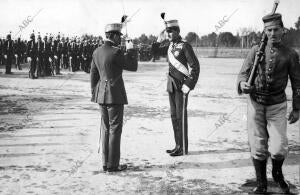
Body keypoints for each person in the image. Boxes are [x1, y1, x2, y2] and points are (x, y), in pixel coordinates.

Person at [237, 13, 300, 194]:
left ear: (283, 30)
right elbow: (243, 74)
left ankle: (277, 173)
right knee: (258, 145)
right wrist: (243, 84)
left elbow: (297, 83)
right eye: (269, 30)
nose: (273, 33)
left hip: (277, 105)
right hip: (255, 103)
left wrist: (297, 108)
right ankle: (262, 183)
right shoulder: (255, 51)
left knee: (279, 147)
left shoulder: (290, 54)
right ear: (265, 31)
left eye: (276, 30)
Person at [90, 23, 138, 172]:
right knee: (115, 130)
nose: (120, 39)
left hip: (101, 95)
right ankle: (113, 165)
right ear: (114, 35)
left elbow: (93, 75)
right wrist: (131, 50)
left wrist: (95, 93)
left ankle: (105, 163)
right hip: (114, 95)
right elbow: (133, 67)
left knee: (105, 129)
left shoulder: (96, 51)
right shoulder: (116, 52)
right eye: (119, 36)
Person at [152, 20, 200, 156]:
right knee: (174, 116)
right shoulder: (169, 46)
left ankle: (183, 148)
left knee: (181, 117)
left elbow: (195, 67)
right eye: (167, 32)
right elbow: (154, 51)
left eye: (170, 31)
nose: (168, 34)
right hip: (171, 86)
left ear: (177, 31)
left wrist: (188, 85)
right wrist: (158, 38)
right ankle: (177, 145)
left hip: (181, 87)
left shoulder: (185, 46)